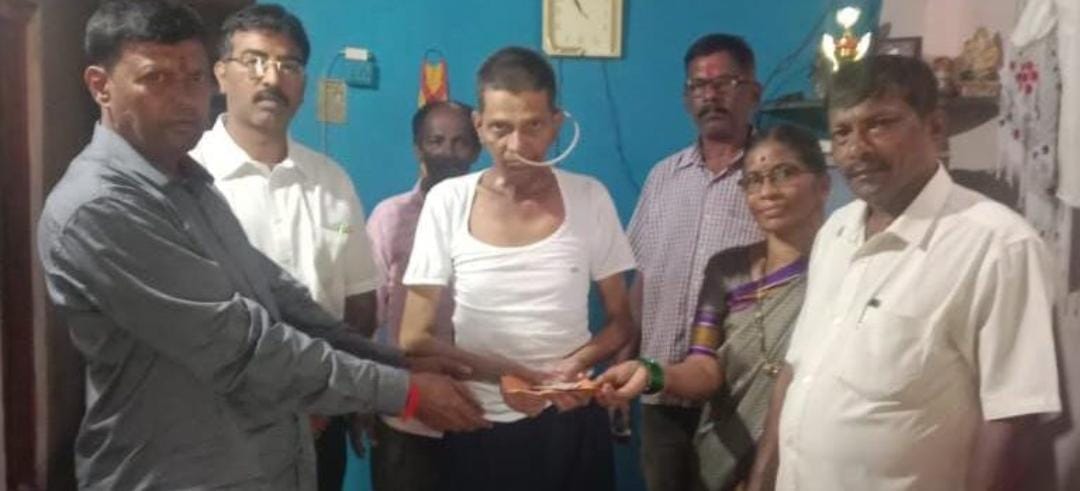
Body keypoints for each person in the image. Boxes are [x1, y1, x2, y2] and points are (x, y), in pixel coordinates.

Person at [37, 1, 486, 488]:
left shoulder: (189, 183)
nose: (184, 98)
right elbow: (241, 346)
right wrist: (404, 392)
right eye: (156, 78)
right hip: (175, 473)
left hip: (266, 463)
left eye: (192, 78)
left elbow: (278, 295)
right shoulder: (101, 206)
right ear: (101, 86)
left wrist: (396, 361)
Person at [747, 55, 1061, 490]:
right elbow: (797, 369)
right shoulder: (836, 231)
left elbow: (1013, 418)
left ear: (935, 127)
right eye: (842, 132)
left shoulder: (997, 246)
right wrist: (762, 478)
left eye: (879, 124)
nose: (856, 148)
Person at [398, 46, 635, 491]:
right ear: (479, 126)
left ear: (556, 124)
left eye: (534, 126)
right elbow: (414, 337)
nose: (517, 146)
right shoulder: (448, 201)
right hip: (480, 420)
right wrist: (506, 376)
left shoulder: (589, 197)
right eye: (500, 128)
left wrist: (573, 366)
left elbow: (622, 321)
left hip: (570, 417)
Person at [187, 5, 380, 489]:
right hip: (221, 430)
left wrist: (327, 401)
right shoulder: (186, 180)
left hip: (321, 422)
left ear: (303, 81)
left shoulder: (332, 181)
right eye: (254, 61)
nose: (271, 78)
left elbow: (359, 305)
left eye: (288, 65)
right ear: (221, 73)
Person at [597, 124, 829, 490]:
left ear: (823, 185)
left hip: (813, 456)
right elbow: (704, 368)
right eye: (754, 180)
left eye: (784, 174)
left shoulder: (843, 269)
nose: (767, 191)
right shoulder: (727, 270)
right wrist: (650, 371)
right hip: (726, 457)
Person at [627, 33, 764, 491]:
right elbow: (643, 279)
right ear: (687, 98)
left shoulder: (772, 180)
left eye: (724, 83)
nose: (710, 95)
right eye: (698, 86)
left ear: (753, 92)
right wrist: (626, 361)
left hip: (738, 398)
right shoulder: (663, 177)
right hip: (661, 393)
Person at [366, 100, 481, 491]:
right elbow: (371, 312)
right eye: (437, 141)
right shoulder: (390, 217)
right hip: (408, 409)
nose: (448, 152)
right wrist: (370, 394)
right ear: (418, 148)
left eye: (461, 142)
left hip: (482, 408)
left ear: (477, 149)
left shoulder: (495, 219)